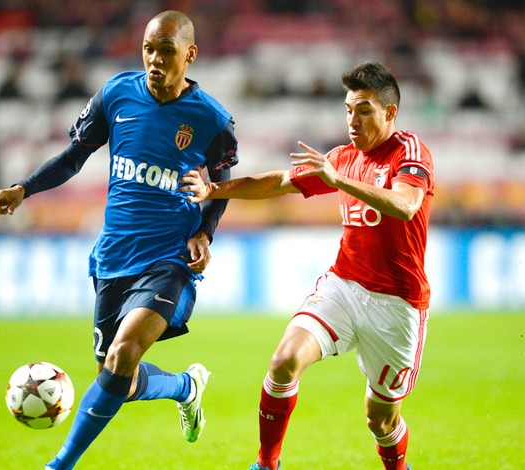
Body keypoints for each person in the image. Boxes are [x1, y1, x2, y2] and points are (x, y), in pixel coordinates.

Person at [0, 10, 238, 469]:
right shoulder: (116, 94)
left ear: (190, 54)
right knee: (116, 378)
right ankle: (186, 387)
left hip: (170, 260)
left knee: (124, 353)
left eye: (167, 50)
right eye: (149, 48)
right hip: (112, 259)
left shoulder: (210, 120)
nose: (155, 59)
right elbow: (73, 158)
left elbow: (222, 188)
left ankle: (59, 464)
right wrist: (23, 188)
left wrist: (205, 231)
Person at [181, 62, 433, 470]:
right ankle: (266, 463)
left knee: (380, 418)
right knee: (283, 361)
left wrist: (339, 182)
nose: (353, 119)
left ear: (390, 113)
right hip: (344, 286)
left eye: (364, 110)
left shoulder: (410, 152)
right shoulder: (341, 159)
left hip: (398, 305)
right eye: (349, 109)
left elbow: (406, 206)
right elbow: (280, 181)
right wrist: (214, 188)